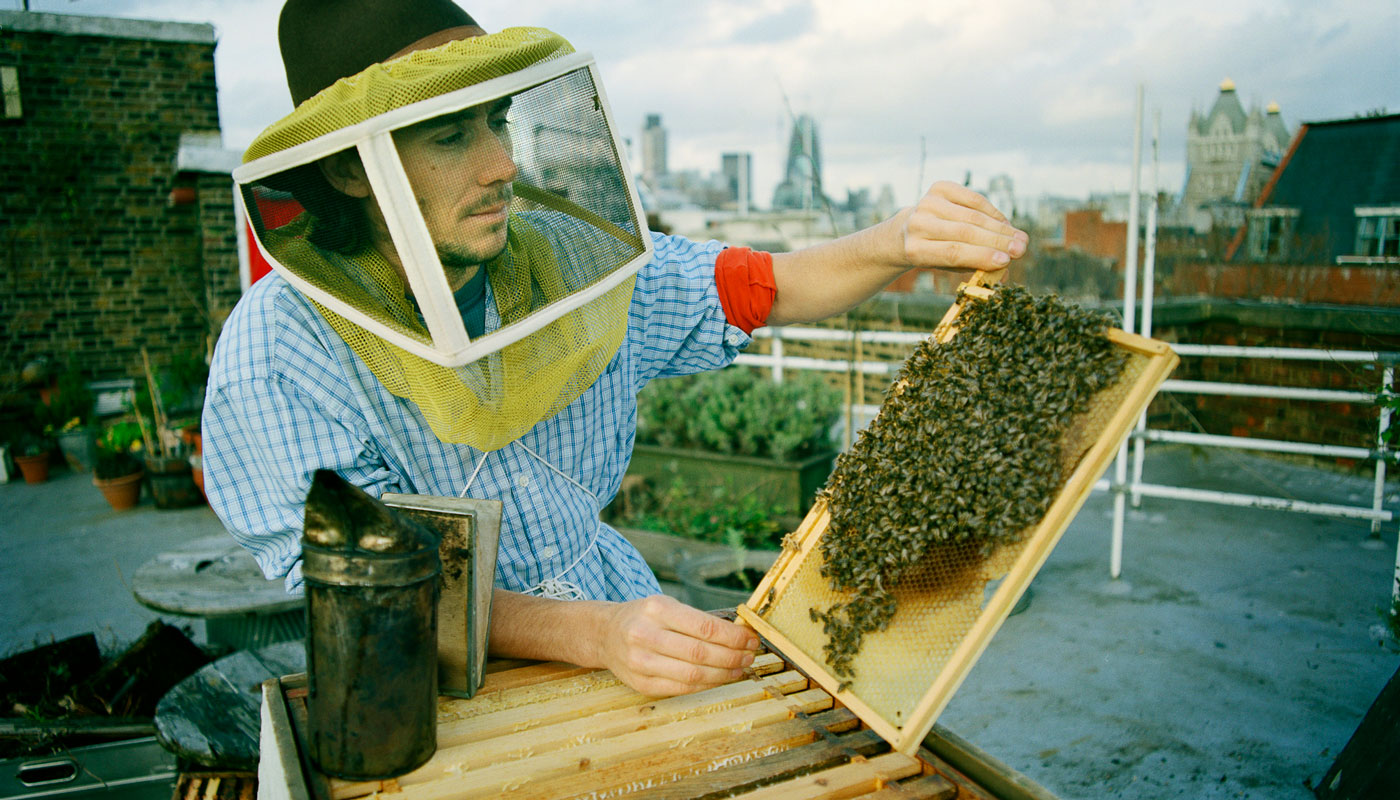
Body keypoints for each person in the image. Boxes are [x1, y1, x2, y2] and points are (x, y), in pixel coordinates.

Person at [204, 0, 1029, 698]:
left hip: (623, 631)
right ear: (352, 170)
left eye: (497, 121)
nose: (502, 164)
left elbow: (754, 285)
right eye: (452, 137)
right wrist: (595, 635)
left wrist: (898, 240)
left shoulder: (565, 255)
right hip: (437, 690)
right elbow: (374, 585)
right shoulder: (281, 348)